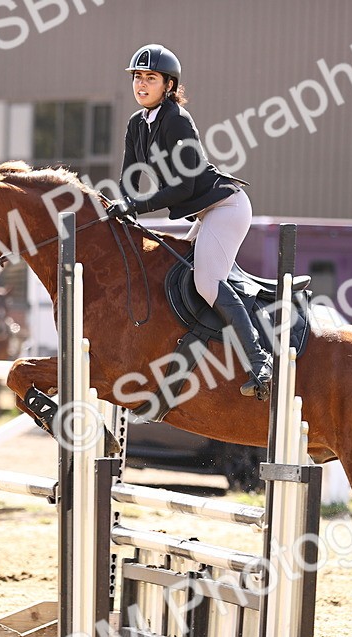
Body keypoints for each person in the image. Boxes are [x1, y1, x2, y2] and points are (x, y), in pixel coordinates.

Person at [105, 43, 271, 400]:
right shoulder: (138, 124)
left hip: (226, 207)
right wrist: (121, 206)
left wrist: (136, 206)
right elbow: (129, 178)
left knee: (208, 282)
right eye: (137, 77)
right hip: (204, 212)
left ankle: (260, 361)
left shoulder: (177, 119)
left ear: (168, 85)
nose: (141, 84)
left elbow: (184, 185)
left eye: (150, 78)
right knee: (179, 272)